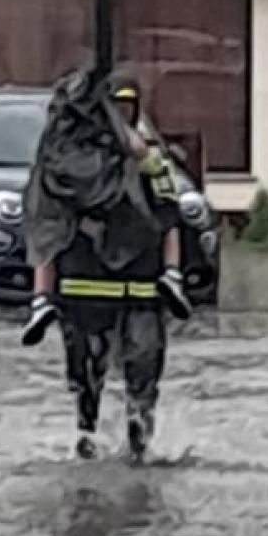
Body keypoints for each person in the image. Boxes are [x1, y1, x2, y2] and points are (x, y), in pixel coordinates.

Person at [20, 66, 192, 462]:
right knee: (85, 373)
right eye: (117, 106)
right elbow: (47, 218)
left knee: (144, 362)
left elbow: (169, 209)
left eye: (130, 107)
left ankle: (140, 440)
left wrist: (151, 162)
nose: (123, 114)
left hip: (141, 286)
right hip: (84, 286)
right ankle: (87, 435)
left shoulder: (145, 152)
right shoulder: (71, 156)